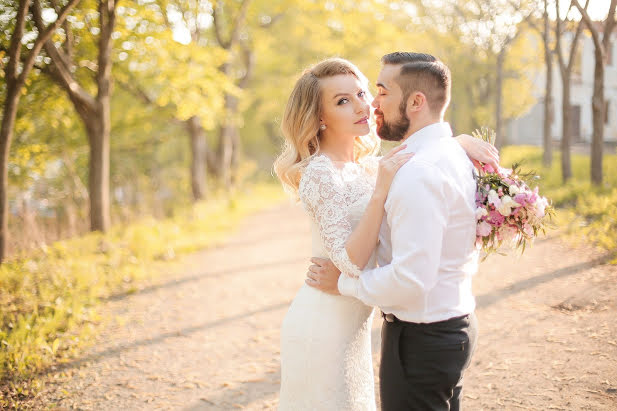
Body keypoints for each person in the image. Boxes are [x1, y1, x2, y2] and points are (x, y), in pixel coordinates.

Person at [274, 56, 497, 410]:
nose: (364, 105)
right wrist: (379, 194)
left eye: (362, 93)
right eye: (342, 101)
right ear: (319, 118)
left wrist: (457, 142)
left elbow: (424, 152)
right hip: (324, 320)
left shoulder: (367, 166)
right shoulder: (319, 174)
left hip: (354, 323)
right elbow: (348, 262)